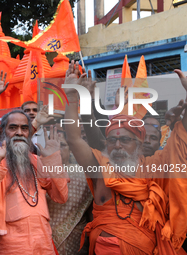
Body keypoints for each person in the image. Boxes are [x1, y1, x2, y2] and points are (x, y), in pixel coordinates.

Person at [63, 63, 187, 254]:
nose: (117, 146)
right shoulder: (99, 166)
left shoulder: (153, 167)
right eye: (112, 140)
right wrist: (71, 96)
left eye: (125, 140)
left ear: (138, 144)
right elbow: (73, 138)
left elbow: (180, 140)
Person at [0, 110, 69, 254]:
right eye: (13, 128)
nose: (19, 133)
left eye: (24, 128)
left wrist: (53, 160)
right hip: (8, 244)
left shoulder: (37, 161)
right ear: (3, 131)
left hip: (43, 241)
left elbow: (61, 197)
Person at [46, 126, 93, 255]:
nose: (57, 149)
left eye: (62, 145)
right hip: (42, 238)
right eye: (52, 144)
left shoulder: (83, 175)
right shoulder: (39, 172)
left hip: (74, 239)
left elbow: (90, 210)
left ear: (70, 149)